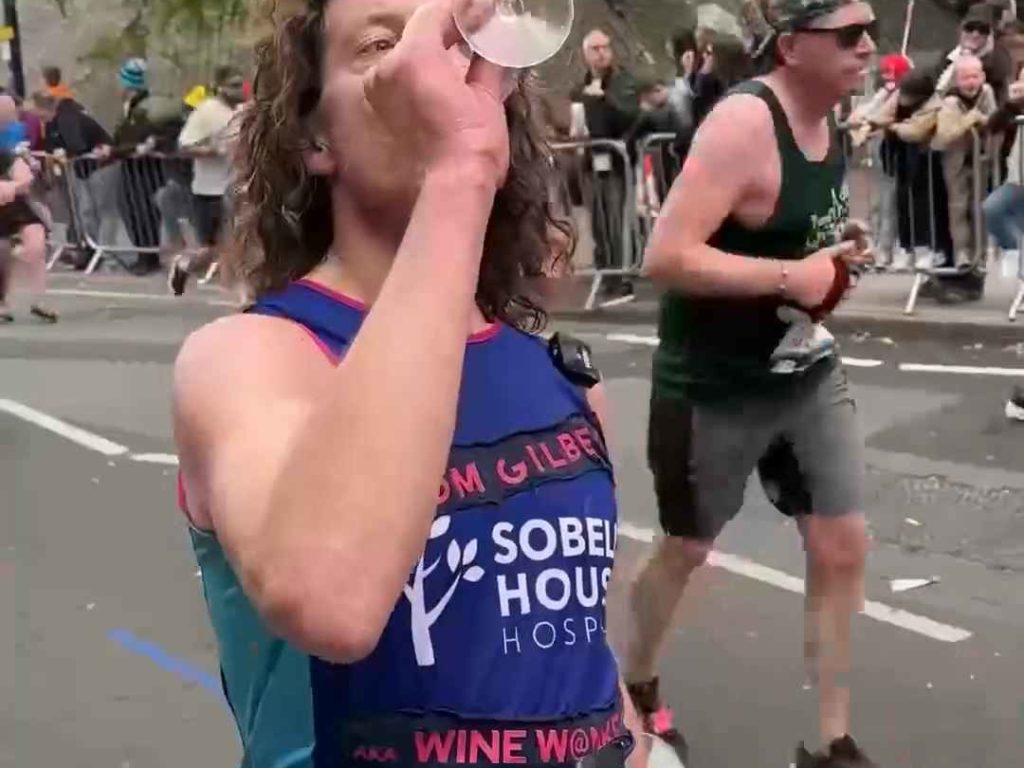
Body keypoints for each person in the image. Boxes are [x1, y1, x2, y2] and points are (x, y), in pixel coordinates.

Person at [171, 1, 646, 766]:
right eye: (384, 45)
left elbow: (566, 641)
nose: (431, 71)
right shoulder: (250, 359)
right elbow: (328, 596)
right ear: (315, 135)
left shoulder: (562, 380)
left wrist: (639, 744)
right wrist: (459, 168)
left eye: (458, 44)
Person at [629, 1, 879, 766]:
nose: (867, 46)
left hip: (803, 372)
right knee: (686, 547)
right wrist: (790, 273)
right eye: (848, 35)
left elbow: (800, 239)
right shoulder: (744, 124)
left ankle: (833, 742)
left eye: (869, 30)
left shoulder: (832, 119)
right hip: (713, 382)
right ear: (795, 44)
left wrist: (838, 256)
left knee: (841, 542)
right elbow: (663, 256)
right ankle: (633, 682)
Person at [572, 29, 640, 304]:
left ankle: (620, 277)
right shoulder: (582, 86)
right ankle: (605, 273)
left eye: (605, 47)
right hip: (591, 160)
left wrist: (602, 99)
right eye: (595, 48)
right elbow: (578, 120)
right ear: (585, 54)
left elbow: (630, 115)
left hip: (616, 159)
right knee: (598, 221)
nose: (601, 53)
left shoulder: (622, 82)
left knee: (615, 218)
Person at [169, 66, 245, 296]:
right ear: (220, 87)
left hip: (236, 187)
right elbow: (184, 147)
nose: (238, 89)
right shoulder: (207, 111)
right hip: (210, 189)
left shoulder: (242, 111)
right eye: (232, 85)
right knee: (212, 249)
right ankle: (185, 265)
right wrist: (215, 150)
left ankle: (241, 293)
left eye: (239, 84)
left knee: (237, 243)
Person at [932, 55, 997, 277]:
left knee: (980, 208)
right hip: (955, 159)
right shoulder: (949, 101)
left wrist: (985, 123)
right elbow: (944, 135)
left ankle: (981, 255)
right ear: (956, 80)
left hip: (981, 158)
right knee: (958, 207)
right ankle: (962, 254)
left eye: (974, 76)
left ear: (982, 77)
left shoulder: (987, 93)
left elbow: (994, 121)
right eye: (965, 77)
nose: (971, 82)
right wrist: (968, 120)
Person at [0, 95, 57, 324]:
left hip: (13, 202)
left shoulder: (12, 144)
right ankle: (2, 302)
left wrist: (13, 184)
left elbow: (23, 174)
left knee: (36, 240)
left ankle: (39, 300)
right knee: (2, 249)